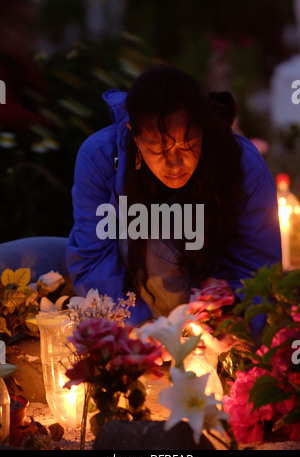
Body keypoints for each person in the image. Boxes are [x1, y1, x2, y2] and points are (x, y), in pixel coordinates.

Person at [66, 65, 282, 331]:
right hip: (135, 308)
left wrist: (233, 320)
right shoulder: (100, 158)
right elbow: (93, 260)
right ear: (134, 133)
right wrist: (144, 332)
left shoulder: (241, 164)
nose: (175, 163)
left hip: (214, 319)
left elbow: (257, 268)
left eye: (188, 143)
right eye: (158, 147)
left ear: (203, 126)